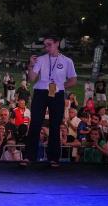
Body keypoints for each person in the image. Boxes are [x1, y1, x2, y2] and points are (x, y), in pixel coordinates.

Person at [21, 36, 77, 168]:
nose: (47, 47)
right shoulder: (41, 59)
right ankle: (29, 156)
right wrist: (31, 65)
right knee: (35, 124)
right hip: (40, 92)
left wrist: (60, 86)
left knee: (55, 125)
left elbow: (73, 80)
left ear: (57, 43)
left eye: (49, 44)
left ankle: (54, 158)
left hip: (57, 93)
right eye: (45, 45)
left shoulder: (67, 61)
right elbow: (32, 78)